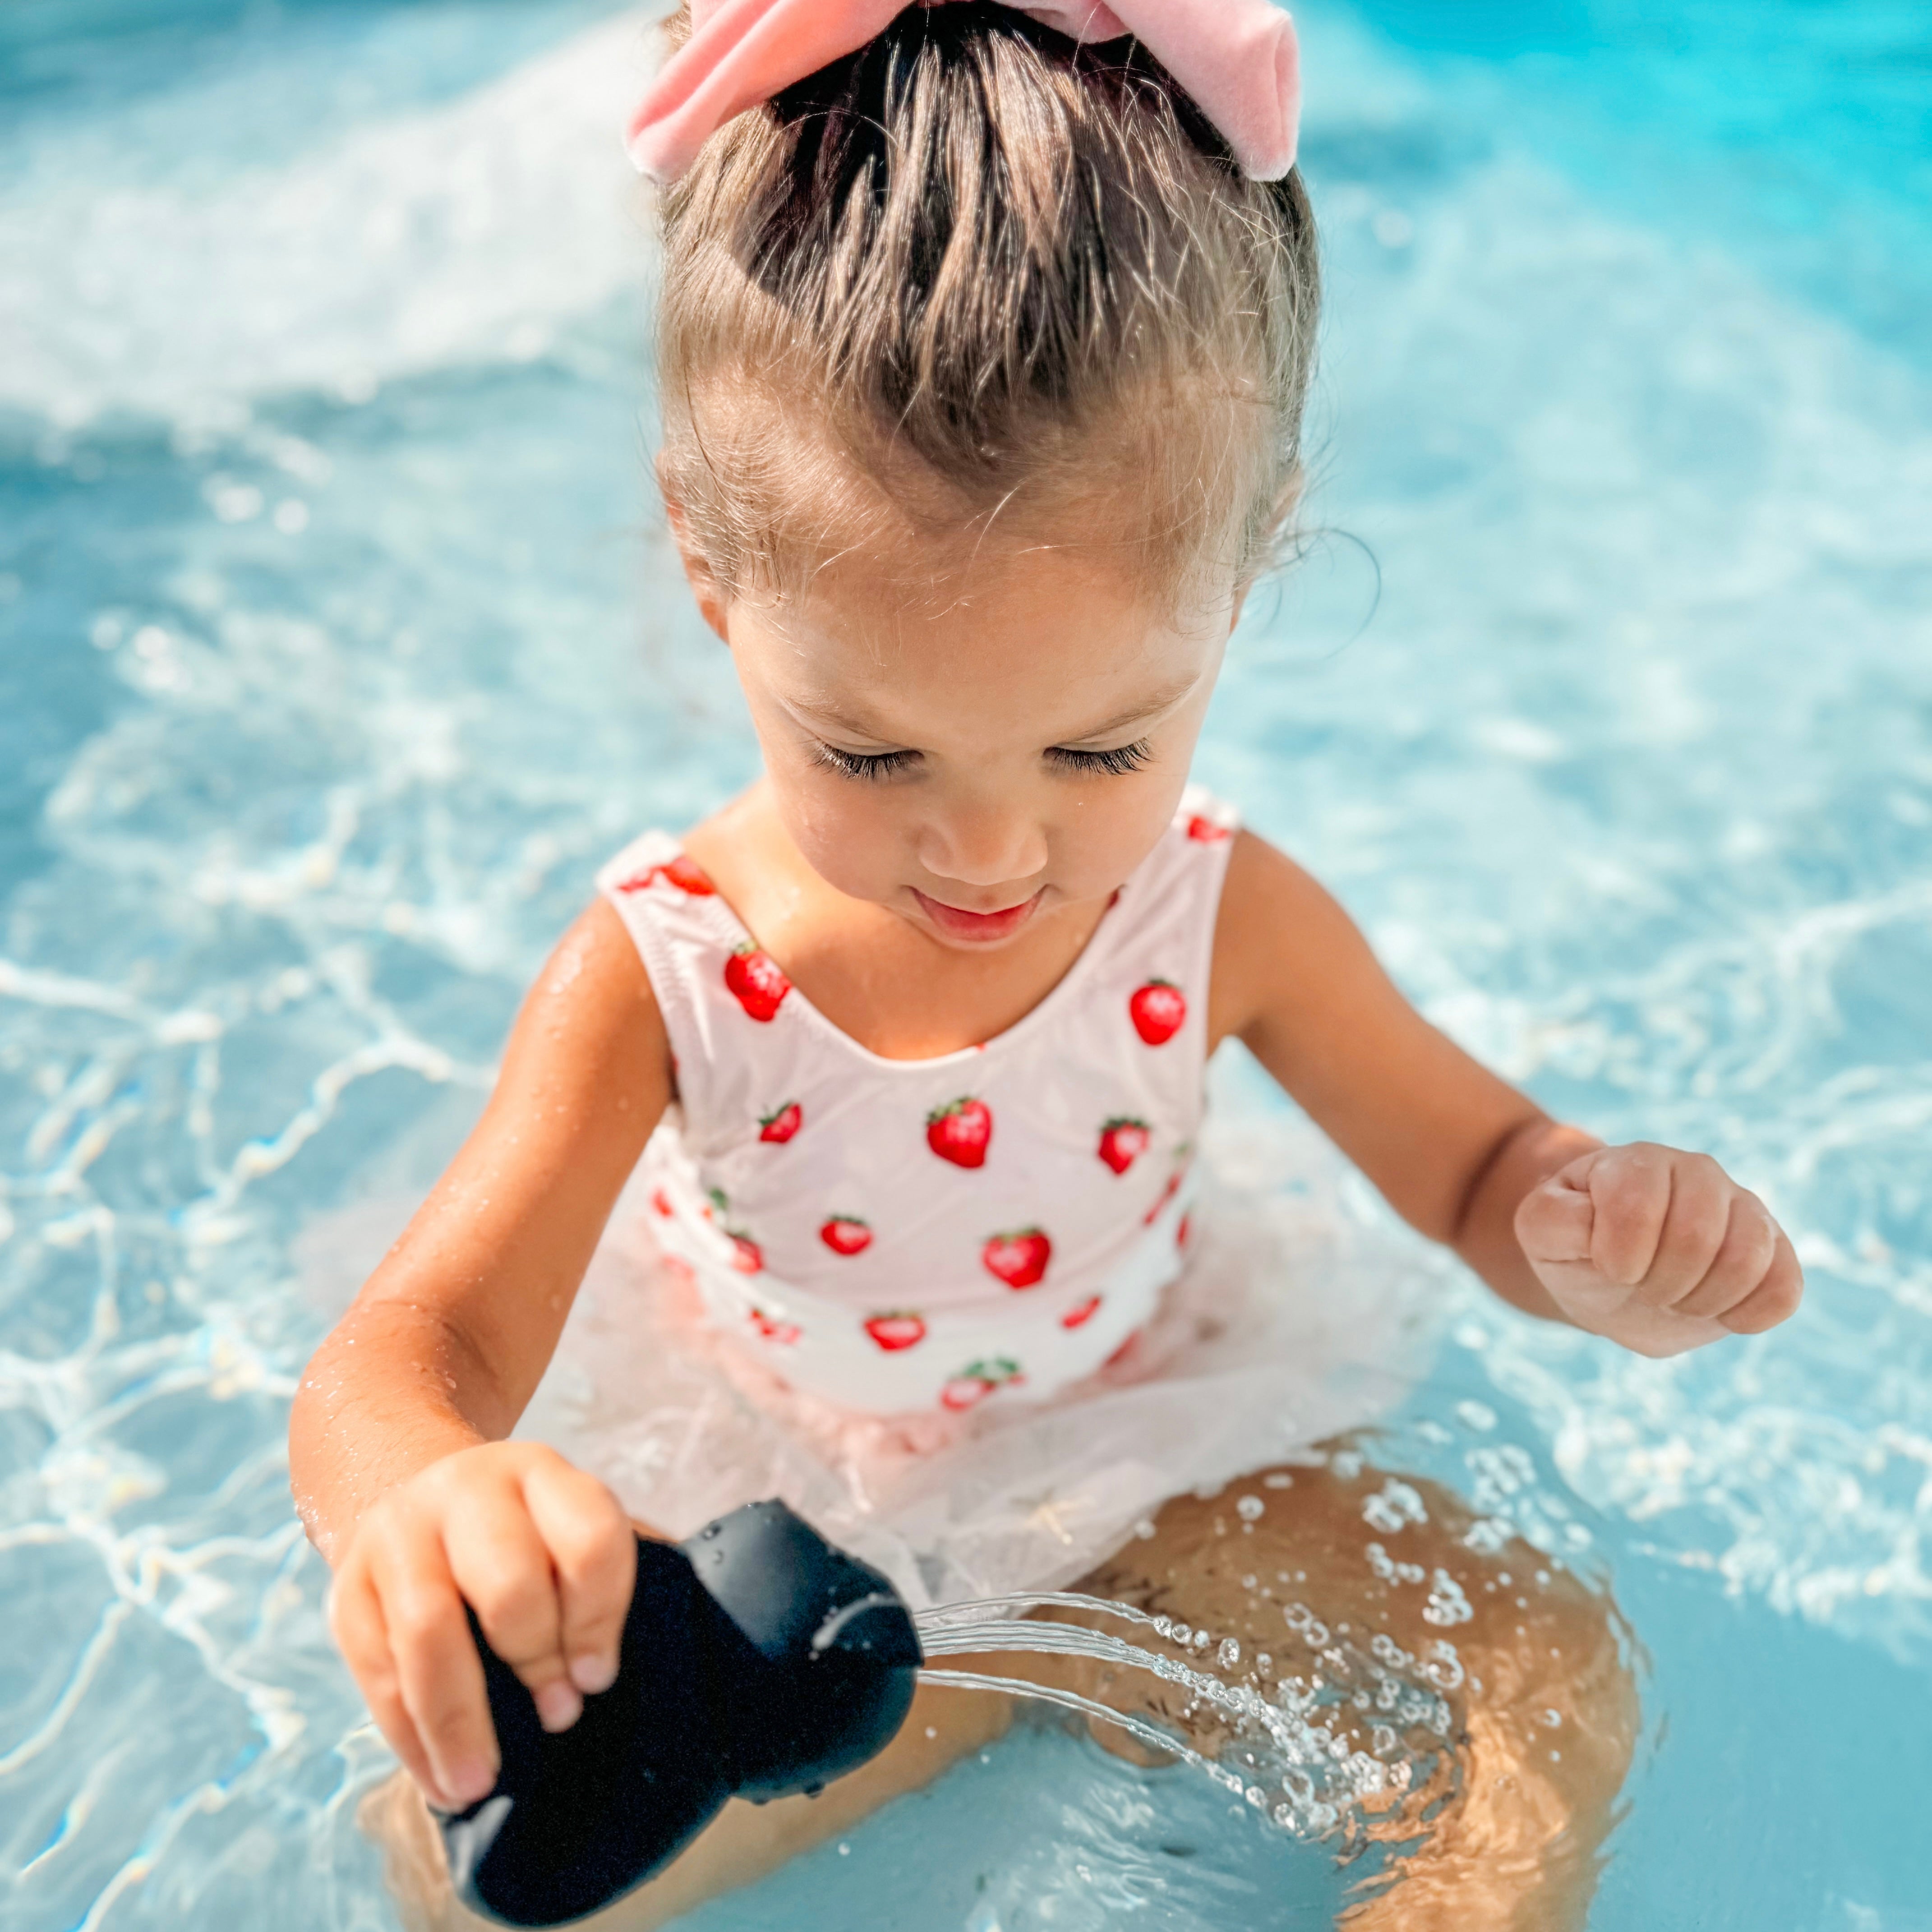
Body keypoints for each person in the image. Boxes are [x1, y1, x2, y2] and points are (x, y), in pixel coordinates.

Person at [289, 3, 1804, 1924]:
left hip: (1170, 1436)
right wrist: (421, 1491)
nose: (994, 856)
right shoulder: (662, 975)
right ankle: (1067, 1659)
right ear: (704, 563)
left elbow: (1476, 1170)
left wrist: (1597, 1234)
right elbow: (409, 1355)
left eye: (1101, 749)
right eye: (871, 754)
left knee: (1546, 1673)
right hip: (845, 1537)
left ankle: (1137, 1689)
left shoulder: (1220, 908)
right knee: (462, 1881)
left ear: (1245, 583)